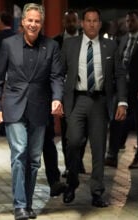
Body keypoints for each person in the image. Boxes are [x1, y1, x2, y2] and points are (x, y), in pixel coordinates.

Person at [0, 3, 64, 219]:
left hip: (39, 108)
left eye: (37, 21)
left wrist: (57, 98)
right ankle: (20, 205)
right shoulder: (8, 45)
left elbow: (56, 77)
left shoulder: (51, 46)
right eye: (29, 20)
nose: (33, 24)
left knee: (34, 159)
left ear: (41, 24)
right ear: (22, 21)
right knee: (19, 153)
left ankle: (28, 204)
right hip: (14, 107)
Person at [61, 7, 127, 208]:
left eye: (95, 20)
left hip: (99, 101)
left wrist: (122, 101)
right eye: (88, 20)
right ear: (82, 23)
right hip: (77, 100)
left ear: (100, 23)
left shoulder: (110, 45)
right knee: (72, 142)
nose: (91, 24)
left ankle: (97, 192)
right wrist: (57, 99)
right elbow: (59, 73)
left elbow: (120, 75)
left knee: (98, 149)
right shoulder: (69, 45)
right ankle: (72, 182)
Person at [105, 10, 138, 169]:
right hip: (122, 87)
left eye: (132, 21)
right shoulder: (122, 40)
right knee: (116, 120)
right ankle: (112, 155)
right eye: (128, 21)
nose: (129, 24)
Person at [53, 9, 86, 178]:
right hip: (66, 93)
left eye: (74, 20)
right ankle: (69, 165)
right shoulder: (56, 42)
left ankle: (77, 162)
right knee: (67, 131)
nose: (71, 24)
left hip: (84, 91)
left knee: (84, 130)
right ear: (63, 23)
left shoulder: (87, 39)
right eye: (68, 21)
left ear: (78, 22)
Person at [0, 11, 15, 137]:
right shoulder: (16, 36)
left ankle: (2, 126)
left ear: (1, 22)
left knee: (1, 100)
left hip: (1, 73)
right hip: (13, 73)